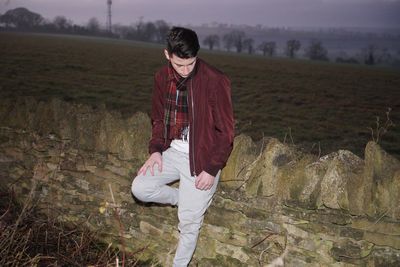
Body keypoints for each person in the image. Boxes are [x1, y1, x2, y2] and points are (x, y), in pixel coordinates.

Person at [131, 26, 234, 267]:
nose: (186, 70)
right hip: (173, 152)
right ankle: (183, 198)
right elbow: (157, 118)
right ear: (167, 55)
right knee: (140, 187)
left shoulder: (215, 80)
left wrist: (211, 168)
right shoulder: (160, 78)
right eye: (180, 65)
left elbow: (226, 132)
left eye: (191, 63)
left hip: (202, 159)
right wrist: (156, 151)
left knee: (188, 223)